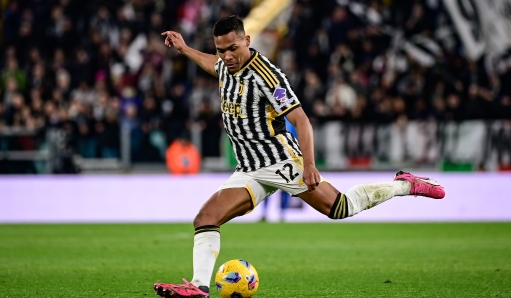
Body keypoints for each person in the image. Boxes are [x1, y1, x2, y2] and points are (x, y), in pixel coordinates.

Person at [154, 15, 445, 297]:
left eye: (233, 48)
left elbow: (302, 120)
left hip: (280, 162)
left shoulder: (267, 76)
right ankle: (199, 288)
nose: (227, 56)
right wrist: (185, 49)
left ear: (247, 40)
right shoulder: (226, 67)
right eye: (222, 50)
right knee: (205, 218)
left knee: (340, 208)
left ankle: (404, 184)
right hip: (249, 167)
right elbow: (214, 65)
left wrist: (309, 165)